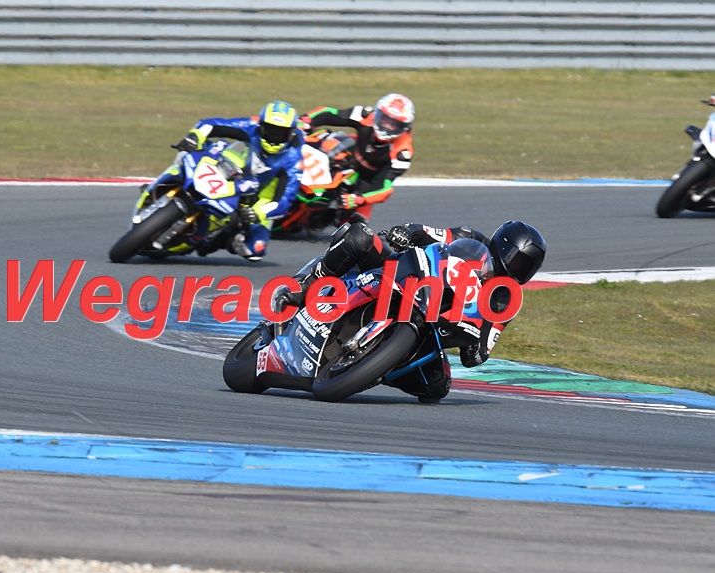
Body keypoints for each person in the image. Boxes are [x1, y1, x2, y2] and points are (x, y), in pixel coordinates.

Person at [280, 220, 547, 394]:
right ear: (502, 246)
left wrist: (474, 344)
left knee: (437, 386)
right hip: (405, 277)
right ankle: (306, 283)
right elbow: (426, 232)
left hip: (432, 326)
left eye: (527, 268)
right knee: (360, 236)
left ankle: (375, 365)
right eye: (518, 261)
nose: (518, 270)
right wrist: (406, 232)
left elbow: (477, 354)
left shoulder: (505, 300)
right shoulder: (469, 237)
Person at [170, 100, 306, 261]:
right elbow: (211, 124)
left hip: (259, 195)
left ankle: (215, 239)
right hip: (231, 167)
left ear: (291, 133)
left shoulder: (294, 160)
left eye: (281, 133)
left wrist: (259, 212)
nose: (274, 137)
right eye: (270, 130)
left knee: (256, 249)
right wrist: (195, 136)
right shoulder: (251, 126)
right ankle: (171, 180)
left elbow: (285, 198)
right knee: (189, 151)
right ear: (261, 126)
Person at [299, 93, 415, 222]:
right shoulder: (366, 115)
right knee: (323, 138)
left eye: (394, 124)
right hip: (349, 153)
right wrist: (306, 120)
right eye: (384, 120)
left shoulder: (402, 154)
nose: (386, 127)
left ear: (404, 127)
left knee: (357, 224)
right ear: (378, 114)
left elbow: (385, 187)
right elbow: (331, 114)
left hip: (367, 178)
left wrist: (360, 199)